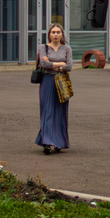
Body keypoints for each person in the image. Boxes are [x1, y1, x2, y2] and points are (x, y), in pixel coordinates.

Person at [35, 24, 73, 154]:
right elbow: (43, 64)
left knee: (60, 112)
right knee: (47, 111)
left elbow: (69, 66)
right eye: (53, 32)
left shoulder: (67, 49)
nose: (56, 35)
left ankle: (59, 142)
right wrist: (60, 63)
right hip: (47, 81)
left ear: (62, 34)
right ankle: (47, 142)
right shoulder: (43, 47)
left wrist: (54, 65)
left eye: (58, 32)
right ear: (49, 34)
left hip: (61, 82)